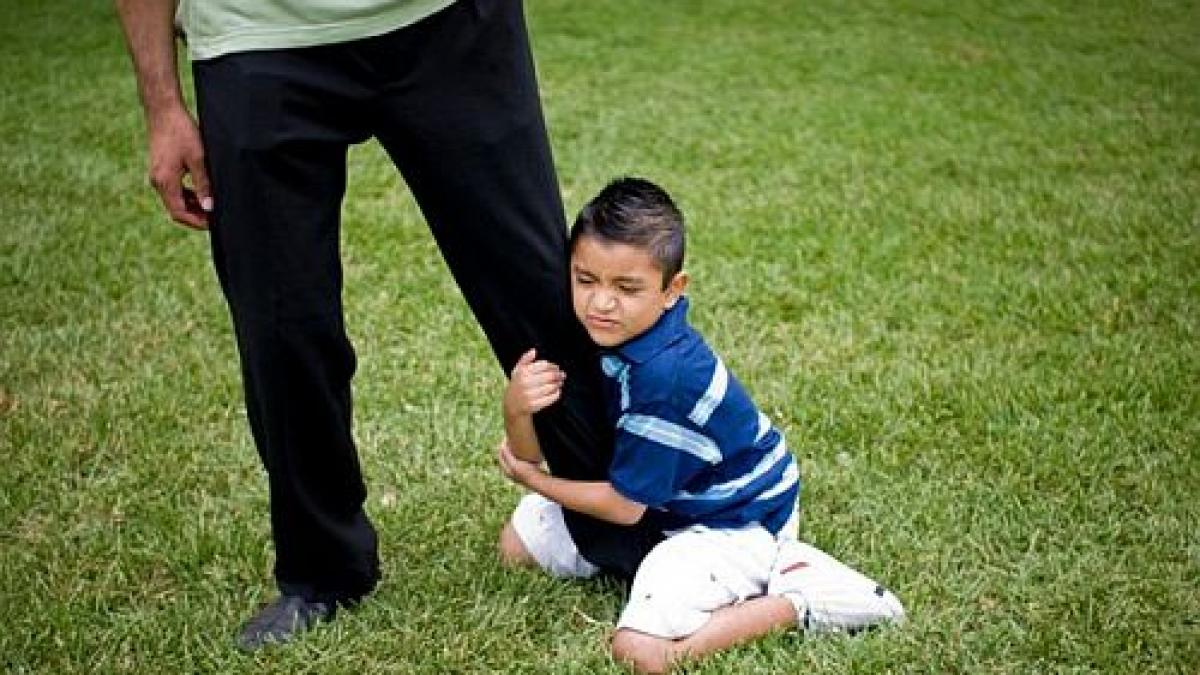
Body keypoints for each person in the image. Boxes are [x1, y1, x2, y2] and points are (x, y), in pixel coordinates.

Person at [113, 0, 662, 650]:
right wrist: (161, 102)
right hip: (256, 37)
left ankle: (632, 530)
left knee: (535, 290)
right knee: (282, 325)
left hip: (447, 20)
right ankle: (321, 568)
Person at [496, 177, 905, 673]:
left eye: (627, 287)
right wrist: (517, 408)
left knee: (641, 652)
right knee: (515, 546)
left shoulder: (665, 379)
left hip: (731, 521)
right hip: (665, 503)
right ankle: (661, 572)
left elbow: (622, 508)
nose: (601, 303)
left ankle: (800, 594)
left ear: (673, 291)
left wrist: (535, 482)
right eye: (586, 280)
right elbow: (529, 454)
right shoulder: (600, 336)